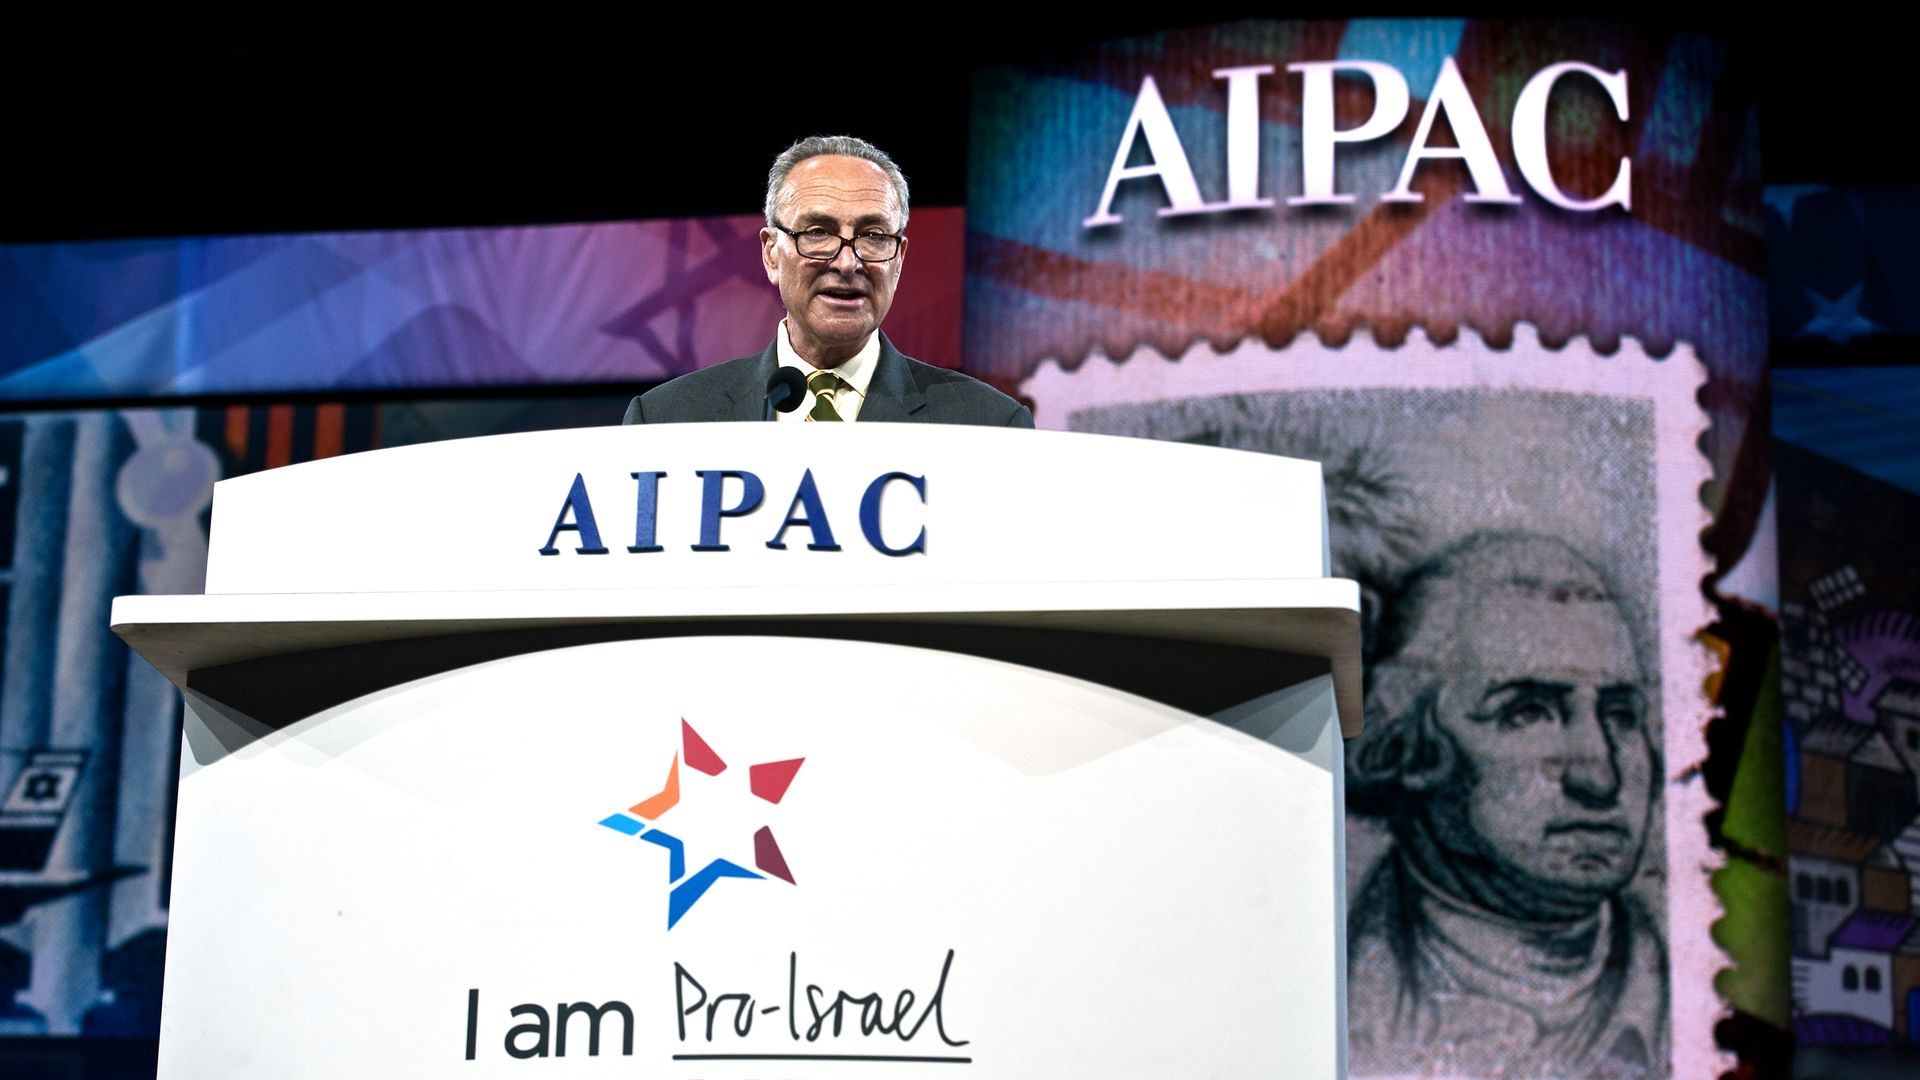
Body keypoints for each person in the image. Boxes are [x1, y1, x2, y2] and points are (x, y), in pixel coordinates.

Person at [1345, 531, 1669, 1079]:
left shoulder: (1684, 990)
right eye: (1528, 712)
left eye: (1619, 715)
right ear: (1410, 744)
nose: (1600, 776)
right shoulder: (1322, 980)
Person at [624, 136, 1031, 427]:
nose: (848, 262)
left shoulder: (988, 425)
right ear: (771, 254)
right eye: (818, 232)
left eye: (874, 236)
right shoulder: (666, 420)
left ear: (899, 258)